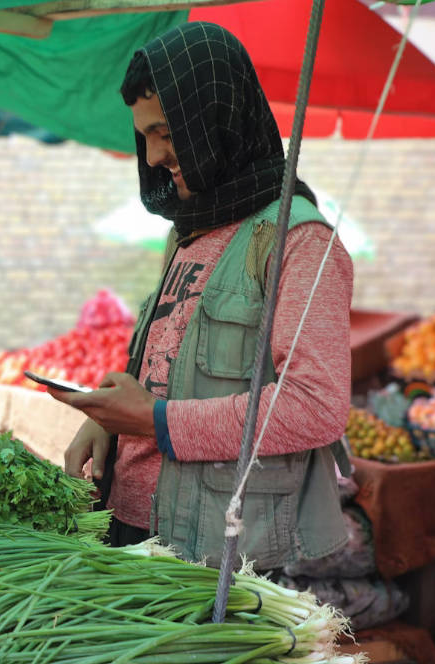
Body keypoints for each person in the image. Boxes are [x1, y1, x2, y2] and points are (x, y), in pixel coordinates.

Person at [51, 23, 351, 570]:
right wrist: (109, 418)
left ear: (217, 117)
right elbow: (170, 362)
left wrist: (157, 422)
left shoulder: (299, 241)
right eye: (143, 135)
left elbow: (316, 407)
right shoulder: (187, 228)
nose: (154, 155)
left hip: (219, 553)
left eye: (166, 131)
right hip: (134, 521)